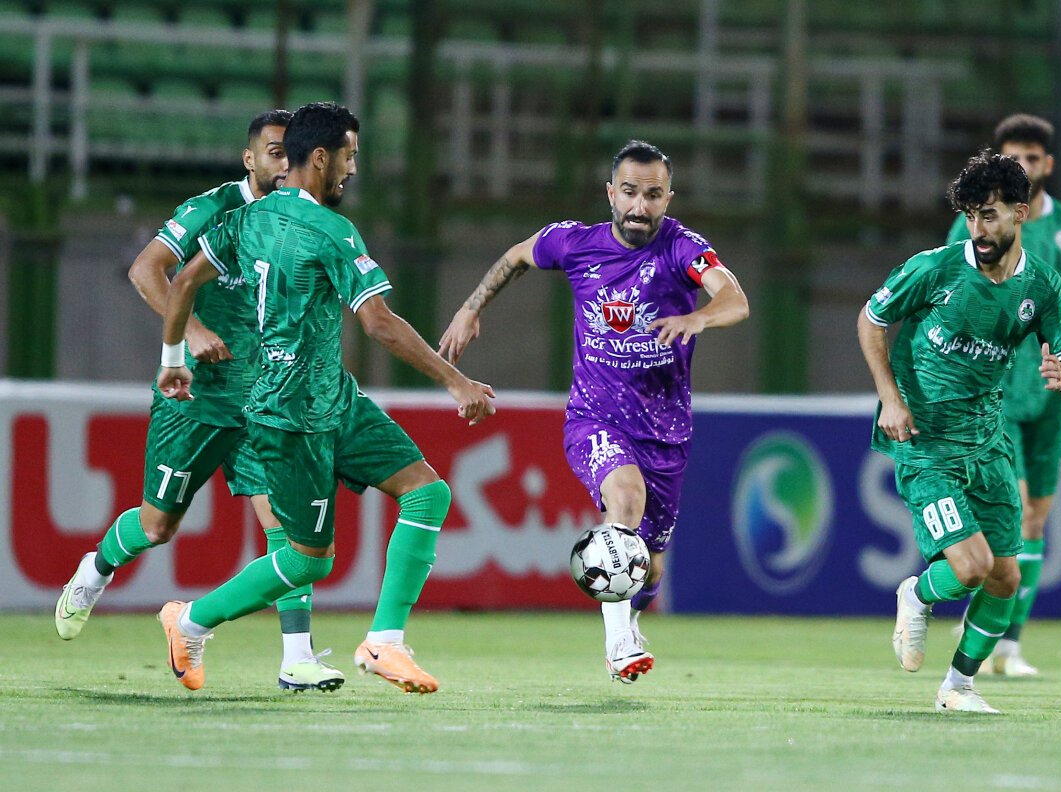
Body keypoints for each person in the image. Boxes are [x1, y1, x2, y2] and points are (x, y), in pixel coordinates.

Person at [155, 101, 496, 693]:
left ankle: (385, 642)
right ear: (320, 157)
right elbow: (378, 322)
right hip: (288, 414)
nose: (353, 169)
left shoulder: (248, 219)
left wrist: (171, 359)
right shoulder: (332, 230)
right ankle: (189, 622)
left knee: (427, 493)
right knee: (310, 560)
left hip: (333, 396)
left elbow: (182, 281)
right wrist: (455, 381)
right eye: (350, 156)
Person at [438, 140, 749, 683]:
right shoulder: (574, 242)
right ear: (610, 193)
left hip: (666, 429)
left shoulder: (683, 249)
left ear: (668, 198)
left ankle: (630, 617)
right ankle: (618, 642)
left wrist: (699, 317)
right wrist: (470, 308)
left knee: (650, 566)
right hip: (596, 418)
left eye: (653, 195)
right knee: (624, 497)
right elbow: (517, 256)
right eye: (629, 192)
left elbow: (735, 298)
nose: (639, 206)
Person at [55, 110, 344, 693]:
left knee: (288, 530)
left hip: (264, 399)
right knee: (157, 526)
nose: (283, 162)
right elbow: (147, 270)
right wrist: (189, 333)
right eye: (273, 151)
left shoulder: (303, 222)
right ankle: (95, 570)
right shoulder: (213, 210)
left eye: (290, 152)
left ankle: (297, 658)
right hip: (196, 397)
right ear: (249, 159)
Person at [859, 150, 1061, 713]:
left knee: (1005, 578)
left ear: (1019, 214)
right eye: (970, 216)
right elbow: (871, 320)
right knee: (971, 567)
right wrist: (891, 398)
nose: (978, 229)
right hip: (926, 443)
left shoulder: (1043, 285)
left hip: (988, 444)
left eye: (989, 215)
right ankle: (916, 592)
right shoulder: (934, 269)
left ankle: (958, 687)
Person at [945, 114, 1061, 676]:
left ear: (1048, 164)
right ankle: (988, 631)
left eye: (1032, 157)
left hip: (1050, 395)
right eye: (1013, 155)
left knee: (1038, 520)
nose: (1024, 164)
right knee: (1016, 512)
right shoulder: (977, 225)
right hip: (994, 394)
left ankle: (1008, 645)